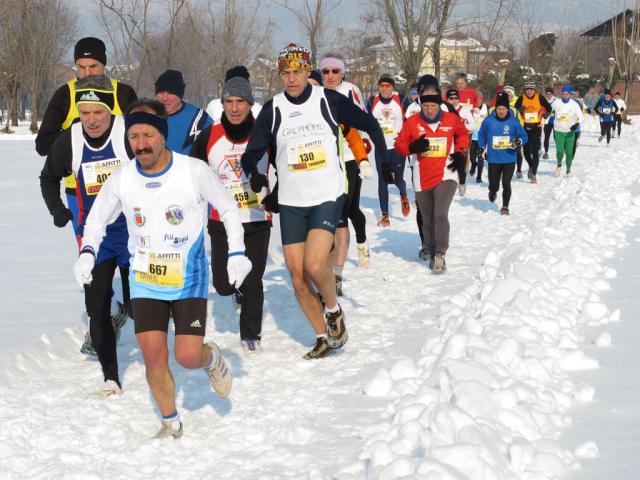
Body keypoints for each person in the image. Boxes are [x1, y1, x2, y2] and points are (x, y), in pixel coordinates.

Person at [74, 99, 251, 438]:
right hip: (145, 280)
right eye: (134, 136)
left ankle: (210, 359)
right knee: (154, 357)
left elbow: (228, 209)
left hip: (189, 280)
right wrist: (87, 252)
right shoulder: (123, 177)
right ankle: (170, 422)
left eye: (148, 135)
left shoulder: (192, 170)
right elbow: (96, 218)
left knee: (186, 356)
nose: (141, 144)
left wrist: (237, 253)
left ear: (163, 136)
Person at [241, 43, 389, 359]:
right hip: (293, 201)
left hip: (326, 195)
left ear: (309, 72)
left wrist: (383, 156)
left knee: (314, 263)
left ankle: (333, 309)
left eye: (297, 72)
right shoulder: (273, 109)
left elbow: (370, 124)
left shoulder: (329, 100)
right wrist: (254, 175)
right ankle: (322, 335)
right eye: (285, 73)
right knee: (297, 278)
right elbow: (251, 153)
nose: (291, 79)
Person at [36, 37, 137, 355]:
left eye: (93, 66)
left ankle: (135, 309)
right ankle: (100, 322)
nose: (86, 72)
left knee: (132, 260)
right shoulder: (65, 95)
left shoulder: (123, 93)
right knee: (91, 259)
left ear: (105, 65)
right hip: (81, 194)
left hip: (126, 195)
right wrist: (80, 131)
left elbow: (143, 134)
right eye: (80, 67)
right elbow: (42, 144)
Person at [190, 73, 271, 353]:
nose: (234, 108)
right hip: (221, 221)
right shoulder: (209, 136)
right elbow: (192, 172)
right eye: (229, 102)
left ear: (250, 104)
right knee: (223, 285)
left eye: (240, 102)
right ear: (222, 104)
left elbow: (281, 167)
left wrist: (275, 192)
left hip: (257, 218)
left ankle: (251, 335)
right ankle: (234, 289)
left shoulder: (263, 132)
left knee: (254, 278)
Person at [394, 87, 470, 272]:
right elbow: (399, 145)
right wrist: (413, 146)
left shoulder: (451, 119)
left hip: (446, 173)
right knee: (427, 218)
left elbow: (463, 135)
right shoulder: (412, 122)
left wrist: (460, 153)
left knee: (440, 214)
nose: (429, 109)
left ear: (439, 105)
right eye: (426, 105)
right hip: (422, 175)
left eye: (433, 106)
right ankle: (428, 247)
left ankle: (440, 254)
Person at [320, 55, 373, 292]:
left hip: (350, 159)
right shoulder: (316, 93)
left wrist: (364, 151)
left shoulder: (351, 91)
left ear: (342, 73)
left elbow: (362, 120)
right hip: (326, 163)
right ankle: (330, 270)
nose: (330, 75)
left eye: (335, 71)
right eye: (326, 71)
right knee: (334, 216)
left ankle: (361, 242)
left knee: (350, 211)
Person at [367, 74, 409, 227]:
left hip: (397, 147)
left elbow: (411, 119)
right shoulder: (372, 101)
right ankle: (385, 215)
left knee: (397, 179)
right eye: (382, 86)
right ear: (379, 87)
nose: (384, 89)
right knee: (383, 180)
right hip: (381, 149)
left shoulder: (402, 100)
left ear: (393, 87)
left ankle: (404, 195)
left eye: (388, 86)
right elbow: (366, 121)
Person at [477, 91, 529, 216]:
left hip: (509, 158)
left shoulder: (514, 121)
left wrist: (518, 142)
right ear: (496, 108)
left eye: (504, 108)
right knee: (494, 185)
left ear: (507, 108)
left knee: (506, 183)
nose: (501, 111)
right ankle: (492, 191)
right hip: (494, 159)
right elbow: (481, 134)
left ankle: (505, 206)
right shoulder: (488, 121)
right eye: (499, 108)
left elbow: (524, 136)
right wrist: (481, 147)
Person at [154, 69, 212, 154]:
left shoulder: (200, 119)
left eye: (170, 92)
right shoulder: (148, 117)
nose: (165, 98)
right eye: (161, 92)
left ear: (180, 95)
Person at [514, 82, 552, 184]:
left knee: (535, 152)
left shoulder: (540, 98)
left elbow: (549, 108)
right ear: (525, 91)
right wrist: (520, 110)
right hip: (524, 128)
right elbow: (514, 110)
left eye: (531, 90)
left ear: (535, 91)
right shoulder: (521, 98)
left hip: (536, 127)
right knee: (526, 152)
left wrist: (546, 113)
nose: (529, 91)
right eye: (527, 90)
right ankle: (531, 166)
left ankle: (533, 174)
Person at [445, 88, 475, 195]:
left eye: (456, 98)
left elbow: (473, 125)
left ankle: (462, 182)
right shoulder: (443, 109)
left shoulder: (464, 110)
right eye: (451, 98)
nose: (454, 100)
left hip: (461, 141)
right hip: (448, 141)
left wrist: (461, 127)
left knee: (461, 164)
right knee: (447, 164)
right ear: (447, 99)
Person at [552, 86, 584, 177]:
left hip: (570, 131)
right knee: (560, 151)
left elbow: (581, 117)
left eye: (567, 94)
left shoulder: (574, 104)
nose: (565, 96)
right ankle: (559, 166)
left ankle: (568, 170)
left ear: (570, 95)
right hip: (558, 130)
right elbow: (548, 109)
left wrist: (577, 124)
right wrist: (546, 113)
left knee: (569, 153)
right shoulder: (556, 103)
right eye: (563, 94)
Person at [469, 90, 489, 182]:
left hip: (482, 137)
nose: (478, 100)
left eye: (479, 98)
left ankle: (479, 176)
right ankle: (473, 164)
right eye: (476, 99)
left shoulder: (486, 108)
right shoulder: (471, 108)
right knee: (472, 157)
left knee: (481, 157)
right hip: (473, 136)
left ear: (482, 99)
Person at [542, 87, 557, 159]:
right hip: (546, 121)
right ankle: (546, 152)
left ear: (552, 94)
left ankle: (559, 151)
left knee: (556, 137)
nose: (548, 95)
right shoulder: (543, 100)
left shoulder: (556, 101)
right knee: (546, 137)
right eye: (547, 94)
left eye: (550, 94)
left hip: (555, 121)